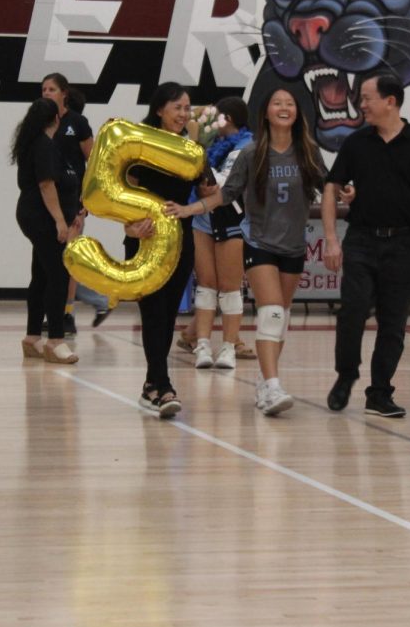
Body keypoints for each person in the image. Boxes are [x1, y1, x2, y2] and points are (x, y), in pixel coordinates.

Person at [166, 88, 325, 415]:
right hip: (259, 242)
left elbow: (328, 186)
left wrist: (347, 193)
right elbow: (225, 195)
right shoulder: (253, 153)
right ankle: (272, 384)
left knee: (282, 317)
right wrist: (190, 208)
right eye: (276, 102)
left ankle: (266, 384)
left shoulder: (308, 152)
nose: (283, 107)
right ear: (266, 112)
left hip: (293, 245)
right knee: (271, 313)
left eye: (289, 103)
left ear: (297, 112)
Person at [321, 73, 410, 418]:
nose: (361, 105)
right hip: (361, 239)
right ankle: (345, 376)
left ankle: (380, 392)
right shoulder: (357, 143)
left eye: (367, 98)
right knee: (352, 312)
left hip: (404, 243)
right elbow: (332, 187)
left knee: (394, 323)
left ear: (390, 101)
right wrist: (331, 239)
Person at [125, 82, 203, 418]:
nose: (184, 114)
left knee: (168, 314)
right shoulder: (139, 146)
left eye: (187, 108)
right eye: (178, 108)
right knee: (153, 312)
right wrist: (130, 226)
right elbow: (123, 192)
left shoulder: (189, 147)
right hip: (145, 239)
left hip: (181, 239)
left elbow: (212, 191)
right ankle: (164, 385)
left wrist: (190, 210)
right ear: (159, 109)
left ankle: (151, 385)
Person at [178, 96, 255, 370]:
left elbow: (224, 183)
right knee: (206, 283)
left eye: (218, 117)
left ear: (229, 119)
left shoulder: (247, 145)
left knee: (230, 286)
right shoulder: (211, 145)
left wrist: (207, 176)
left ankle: (229, 346)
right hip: (203, 218)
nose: (213, 122)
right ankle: (201, 344)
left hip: (231, 218)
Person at [12, 98, 81, 363]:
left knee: (41, 275)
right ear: (56, 119)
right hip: (41, 218)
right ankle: (55, 340)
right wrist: (59, 221)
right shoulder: (43, 146)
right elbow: (46, 185)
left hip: (35, 216)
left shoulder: (40, 143)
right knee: (58, 276)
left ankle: (32, 338)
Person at [40, 74, 111, 331]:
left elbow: (93, 163)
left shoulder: (77, 123)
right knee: (49, 260)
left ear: (64, 93)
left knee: (68, 258)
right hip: (46, 200)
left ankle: (66, 314)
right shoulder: (41, 122)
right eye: (44, 89)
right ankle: (65, 309)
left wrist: (87, 201)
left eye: (52, 89)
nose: (47, 93)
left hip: (72, 200)